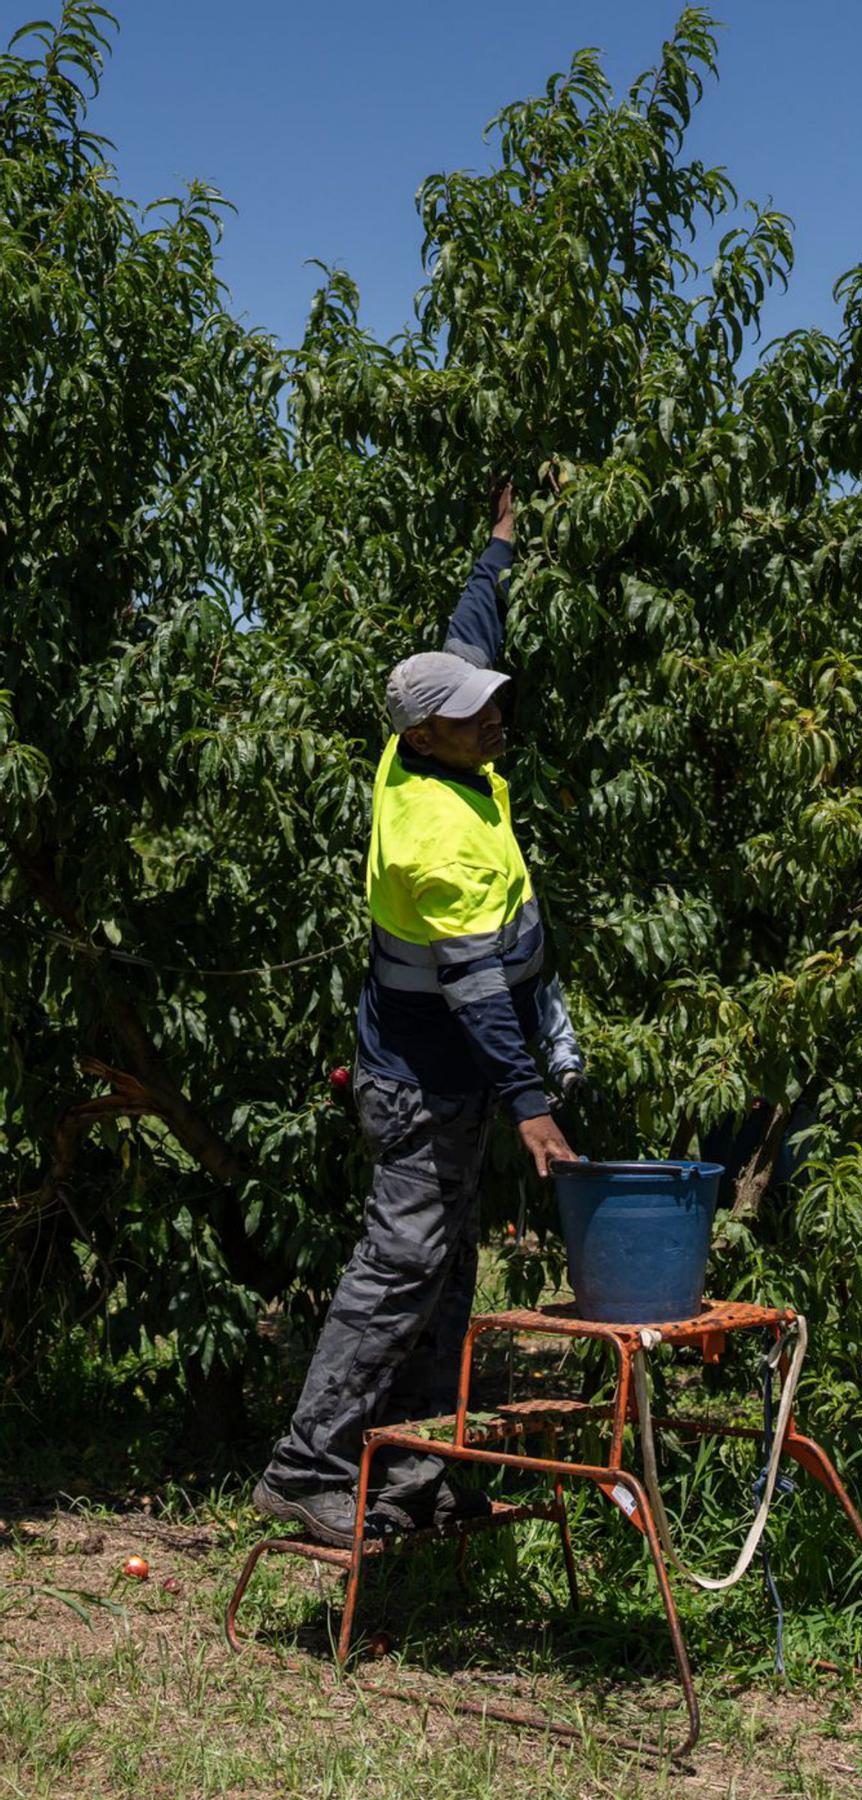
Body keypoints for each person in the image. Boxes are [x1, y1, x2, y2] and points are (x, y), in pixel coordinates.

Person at [254, 485, 581, 1546]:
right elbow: (477, 987)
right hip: (425, 1078)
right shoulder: (431, 829)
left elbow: (465, 632)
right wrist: (529, 1101)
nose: (500, 712)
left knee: (445, 1275)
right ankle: (308, 1467)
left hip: (447, 1080)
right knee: (399, 1268)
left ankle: (413, 1471)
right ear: (432, 729)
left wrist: (498, 545)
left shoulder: (437, 736)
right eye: (481, 707)